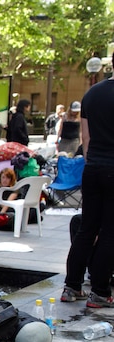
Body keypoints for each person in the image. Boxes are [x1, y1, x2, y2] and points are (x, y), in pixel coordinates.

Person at [63, 76, 114, 308]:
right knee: (109, 233)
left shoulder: (92, 94)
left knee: (86, 229)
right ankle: (100, 292)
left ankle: (72, 286)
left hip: (92, 168)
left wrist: (93, 161)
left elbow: (86, 138)